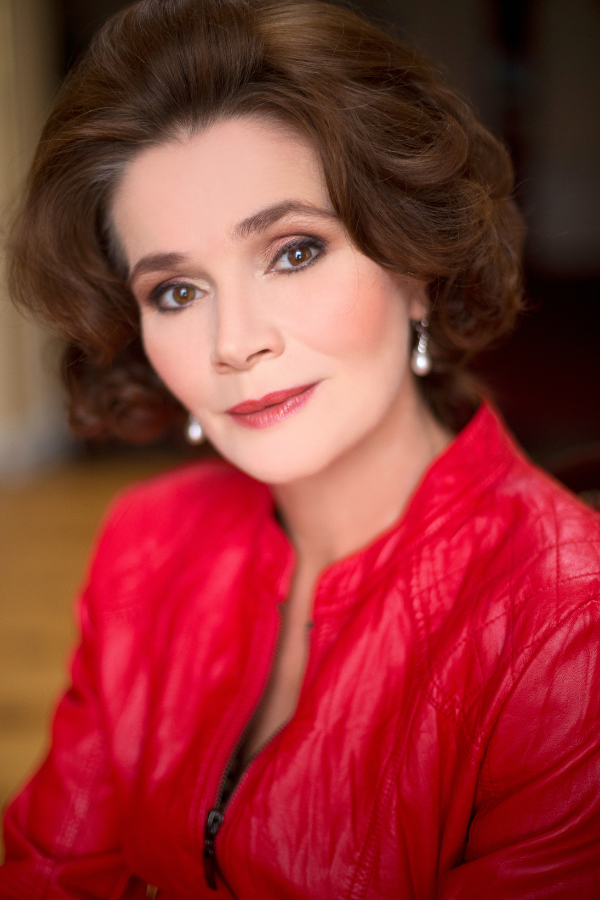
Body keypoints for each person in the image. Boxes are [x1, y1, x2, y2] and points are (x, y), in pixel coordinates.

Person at [1, 0, 599, 897]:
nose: (235, 343)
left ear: (413, 265)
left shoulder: (570, 628)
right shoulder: (145, 543)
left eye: (293, 251)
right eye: (176, 292)